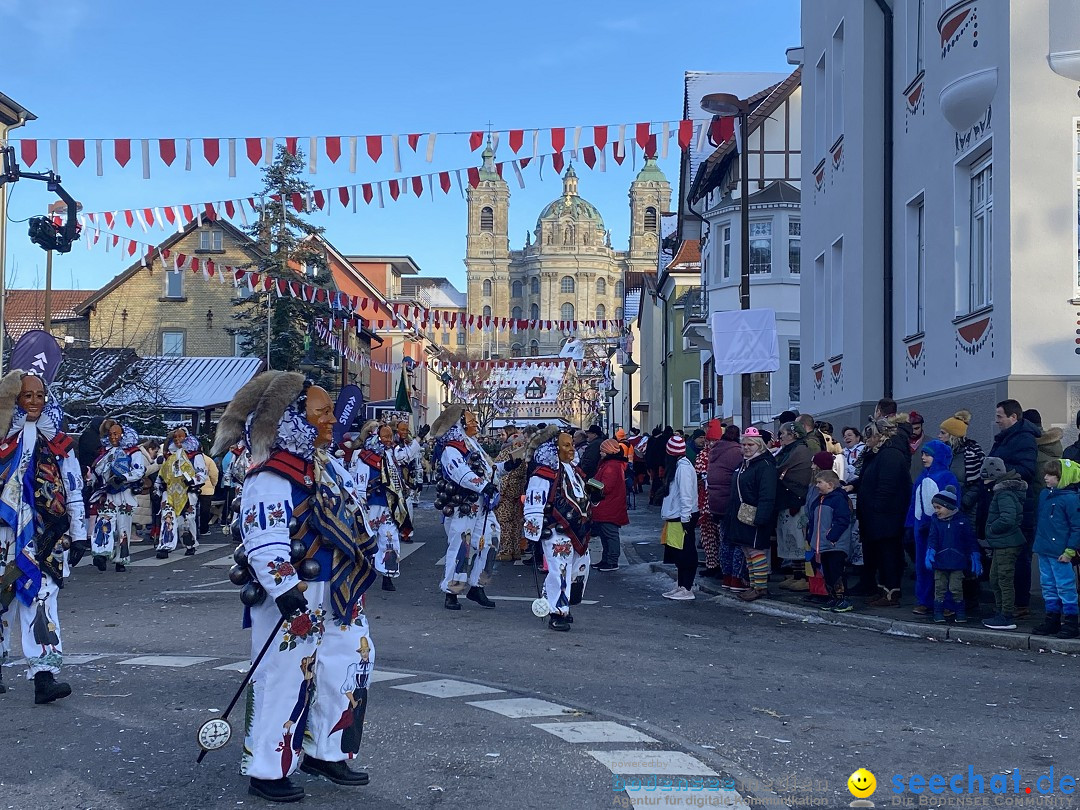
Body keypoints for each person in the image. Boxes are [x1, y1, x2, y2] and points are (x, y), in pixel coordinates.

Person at [212, 371, 377, 803]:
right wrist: (285, 593)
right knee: (284, 676)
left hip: (337, 587)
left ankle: (328, 749)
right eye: (320, 413)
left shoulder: (324, 465)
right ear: (292, 420)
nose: (330, 420)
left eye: (328, 412)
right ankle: (267, 768)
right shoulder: (270, 475)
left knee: (349, 663)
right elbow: (264, 538)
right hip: (293, 592)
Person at [0, 372, 86, 703]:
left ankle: (44, 676)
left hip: (45, 536)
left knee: (42, 599)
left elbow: (74, 488)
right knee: (1, 601)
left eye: (39, 395)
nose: (34, 401)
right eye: (27, 395)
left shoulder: (59, 442)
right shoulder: (3, 437)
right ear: (15, 399)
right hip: (4, 534)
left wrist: (79, 535)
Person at [431, 404, 518, 611]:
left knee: (492, 540)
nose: (476, 424)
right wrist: (483, 486)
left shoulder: (471, 444)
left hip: (482, 506)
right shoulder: (451, 448)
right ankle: (452, 591)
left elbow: (489, 470)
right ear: (460, 425)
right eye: (471, 421)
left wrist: (508, 466)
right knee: (461, 546)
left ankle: (477, 585)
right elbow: (459, 473)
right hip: (464, 505)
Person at [522, 428, 598, 629]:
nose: (572, 449)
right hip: (556, 528)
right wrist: (533, 530)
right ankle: (558, 613)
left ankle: (561, 603)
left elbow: (584, 493)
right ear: (554, 449)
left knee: (577, 567)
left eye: (572, 444)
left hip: (577, 529)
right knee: (559, 570)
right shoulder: (544, 474)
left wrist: (595, 495)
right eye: (566, 445)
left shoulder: (574, 470)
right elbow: (534, 501)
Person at [347, 420, 421, 592]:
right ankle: (361, 574)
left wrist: (419, 439)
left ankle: (388, 576)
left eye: (390, 436)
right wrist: (359, 503)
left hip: (388, 505)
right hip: (369, 505)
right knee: (366, 539)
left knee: (390, 539)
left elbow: (407, 455)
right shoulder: (362, 456)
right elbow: (357, 480)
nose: (389, 440)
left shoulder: (390, 454)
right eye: (385, 436)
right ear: (375, 436)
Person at [849, 418, 912, 606]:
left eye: (870, 435)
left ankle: (891, 592)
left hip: (886, 517)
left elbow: (887, 486)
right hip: (875, 516)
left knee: (889, 554)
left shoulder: (891, 455)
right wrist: (852, 486)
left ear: (879, 435)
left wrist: (876, 508)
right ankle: (881, 588)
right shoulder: (878, 453)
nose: (866, 439)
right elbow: (868, 479)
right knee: (879, 554)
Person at [988, 399, 1041, 618]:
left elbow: (1027, 470)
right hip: (1004, 502)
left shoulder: (1024, 439)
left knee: (1019, 559)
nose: (997, 420)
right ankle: (1006, 604)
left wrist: (999, 470)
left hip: (1019, 507)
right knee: (1004, 562)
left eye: (1000, 416)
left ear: (1013, 417)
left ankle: (1019, 604)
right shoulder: (1005, 438)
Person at [907, 439, 960, 617]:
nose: (923, 457)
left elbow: (953, 503)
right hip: (921, 529)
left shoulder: (946, 477)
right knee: (923, 565)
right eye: (923, 454)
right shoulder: (922, 477)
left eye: (928, 454)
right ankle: (925, 600)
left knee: (944, 565)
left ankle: (948, 602)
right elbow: (914, 503)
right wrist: (910, 524)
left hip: (941, 528)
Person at [725, 427, 778, 602]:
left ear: (759, 445)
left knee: (756, 551)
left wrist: (761, 517)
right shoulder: (744, 464)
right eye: (744, 444)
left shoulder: (765, 466)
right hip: (742, 515)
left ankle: (760, 587)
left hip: (755, 515)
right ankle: (753, 585)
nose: (746, 447)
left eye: (750, 444)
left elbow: (767, 494)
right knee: (747, 551)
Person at [86, 419, 145, 573]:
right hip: (107, 495)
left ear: (122, 434)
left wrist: (124, 477)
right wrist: (91, 482)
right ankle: (101, 554)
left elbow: (139, 471)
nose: (113, 437)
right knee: (104, 523)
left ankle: (121, 559)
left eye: (116, 434)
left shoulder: (133, 452)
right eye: (110, 434)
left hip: (125, 494)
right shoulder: (104, 452)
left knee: (123, 528)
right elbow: (97, 471)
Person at [1031, 459, 1080, 638]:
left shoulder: (1071, 499)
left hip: (1060, 552)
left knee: (1065, 586)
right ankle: (1052, 619)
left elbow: (1077, 526)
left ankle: (1071, 622)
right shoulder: (1045, 494)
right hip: (1045, 548)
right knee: (1048, 585)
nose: (1046, 477)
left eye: (1051, 475)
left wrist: (1070, 550)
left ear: (1062, 478)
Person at [978, 457, 1027, 631]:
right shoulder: (1002, 492)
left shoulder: (1003, 494)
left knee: (1003, 579)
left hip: (1007, 543)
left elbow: (1007, 518)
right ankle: (1000, 612)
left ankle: (1006, 615)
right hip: (1003, 543)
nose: (983, 481)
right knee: (996, 578)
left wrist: (991, 529)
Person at [925, 485, 980, 623]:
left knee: (956, 588)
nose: (936, 511)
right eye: (935, 508)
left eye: (939, 507)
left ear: (948, 506)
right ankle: (938, 612)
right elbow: (932, 538)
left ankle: (960, 612)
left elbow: (970, 539)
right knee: (940, 588)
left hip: (957, 562)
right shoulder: (936, 522)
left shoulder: (962, 521)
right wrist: (930, 551)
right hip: (940, 561)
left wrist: (974, 555)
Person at [155, 426, 207, 559]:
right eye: (175, 437)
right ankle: (165, 546)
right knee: (167, 517)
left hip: (188, 492)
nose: (178, 439)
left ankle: (190, 544)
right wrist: (158, 486)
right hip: (170, 491)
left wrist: (193, 481)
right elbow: (162, 473)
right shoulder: (170, 456)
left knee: (187, 519)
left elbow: (202, 473)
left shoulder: (195, 456)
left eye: (181, 437)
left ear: (187, 438)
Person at [806, 470, 853, 612]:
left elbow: (843, 520)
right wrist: (811, 536)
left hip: (835, 545)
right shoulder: (819, 500)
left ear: (830, 484)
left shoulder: (838, 499)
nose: (817, 486)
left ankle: (842, 599)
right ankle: (833, 597)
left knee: (836, 571)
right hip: (822, 545)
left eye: (820, 482)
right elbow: (813, 521)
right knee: (827, 572)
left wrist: (831, 536)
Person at [708, 424, 749, 590]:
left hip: (716, 502)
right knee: (738, 542)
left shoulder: (716, 450)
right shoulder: (736, 452)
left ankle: (726, 577)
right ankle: (736, 579)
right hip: (731, 503)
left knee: (725, 541)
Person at [660, 435, 699, 601]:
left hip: (682, 516)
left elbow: (686, 495)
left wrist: (685, 518)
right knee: (678, 553)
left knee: (685, 553)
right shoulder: (680, 465)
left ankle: (687, 588)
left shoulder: (682, 468)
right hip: (677, 516)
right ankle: (681, 585)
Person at [774, 422, 813, 587]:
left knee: (798, 539)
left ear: (793, 434)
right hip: (787, 497)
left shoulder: (800, 450)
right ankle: (795, 573)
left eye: (783, 433)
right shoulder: (787, 450)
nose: (780, 436)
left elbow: (782, 467)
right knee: (789, 538)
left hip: (797, 498)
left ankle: (804, 576)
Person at [592, 438, 628, 571]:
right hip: (610, 505)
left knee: (610, 534)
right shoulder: (611, 464)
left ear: (608, 451)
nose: (600, 453)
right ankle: (606, 559)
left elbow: (605, 487)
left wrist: (589, 484)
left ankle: (612, 561)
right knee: (605, 534)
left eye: (602, 450)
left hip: (609, 506)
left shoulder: (611, 466)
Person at [494, 430, 528, 562]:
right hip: (517, 492)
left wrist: (500, 494)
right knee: (515, 523)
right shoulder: (525, 455)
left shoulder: (507, 454)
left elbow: (504, 476)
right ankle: (516, 550)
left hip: (507, 494)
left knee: (504, 523)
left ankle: (505, 551)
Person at [695, 419, 723, 578]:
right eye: (710, 441)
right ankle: (712, 564)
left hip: (717, 501)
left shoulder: (723, 454)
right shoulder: (702, 455)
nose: (711, 444)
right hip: (705, 501)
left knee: (720, 535)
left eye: (714, 441)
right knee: (707, 534)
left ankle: (722, 565)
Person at [198, 446, 219, 536]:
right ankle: (204, 529)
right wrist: (213, 484)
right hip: (206, 488)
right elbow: (214, 474)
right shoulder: (208, 460)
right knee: (205, 510)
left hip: (191, 487)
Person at [907, 411, 927, 479]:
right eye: (910, 429)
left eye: (916, 428)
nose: (913, 432)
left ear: (921, 427)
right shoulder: (901, 443)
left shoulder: (930, 443)